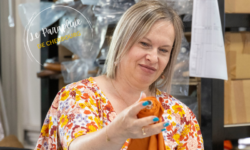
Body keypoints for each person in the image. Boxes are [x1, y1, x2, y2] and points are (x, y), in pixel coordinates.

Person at [35, 1, 204, 150]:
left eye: (163, 50)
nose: (153, 57)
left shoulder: (181, 115)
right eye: (144, 44)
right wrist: (115, 134)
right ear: (121, 43)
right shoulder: (79, 96)